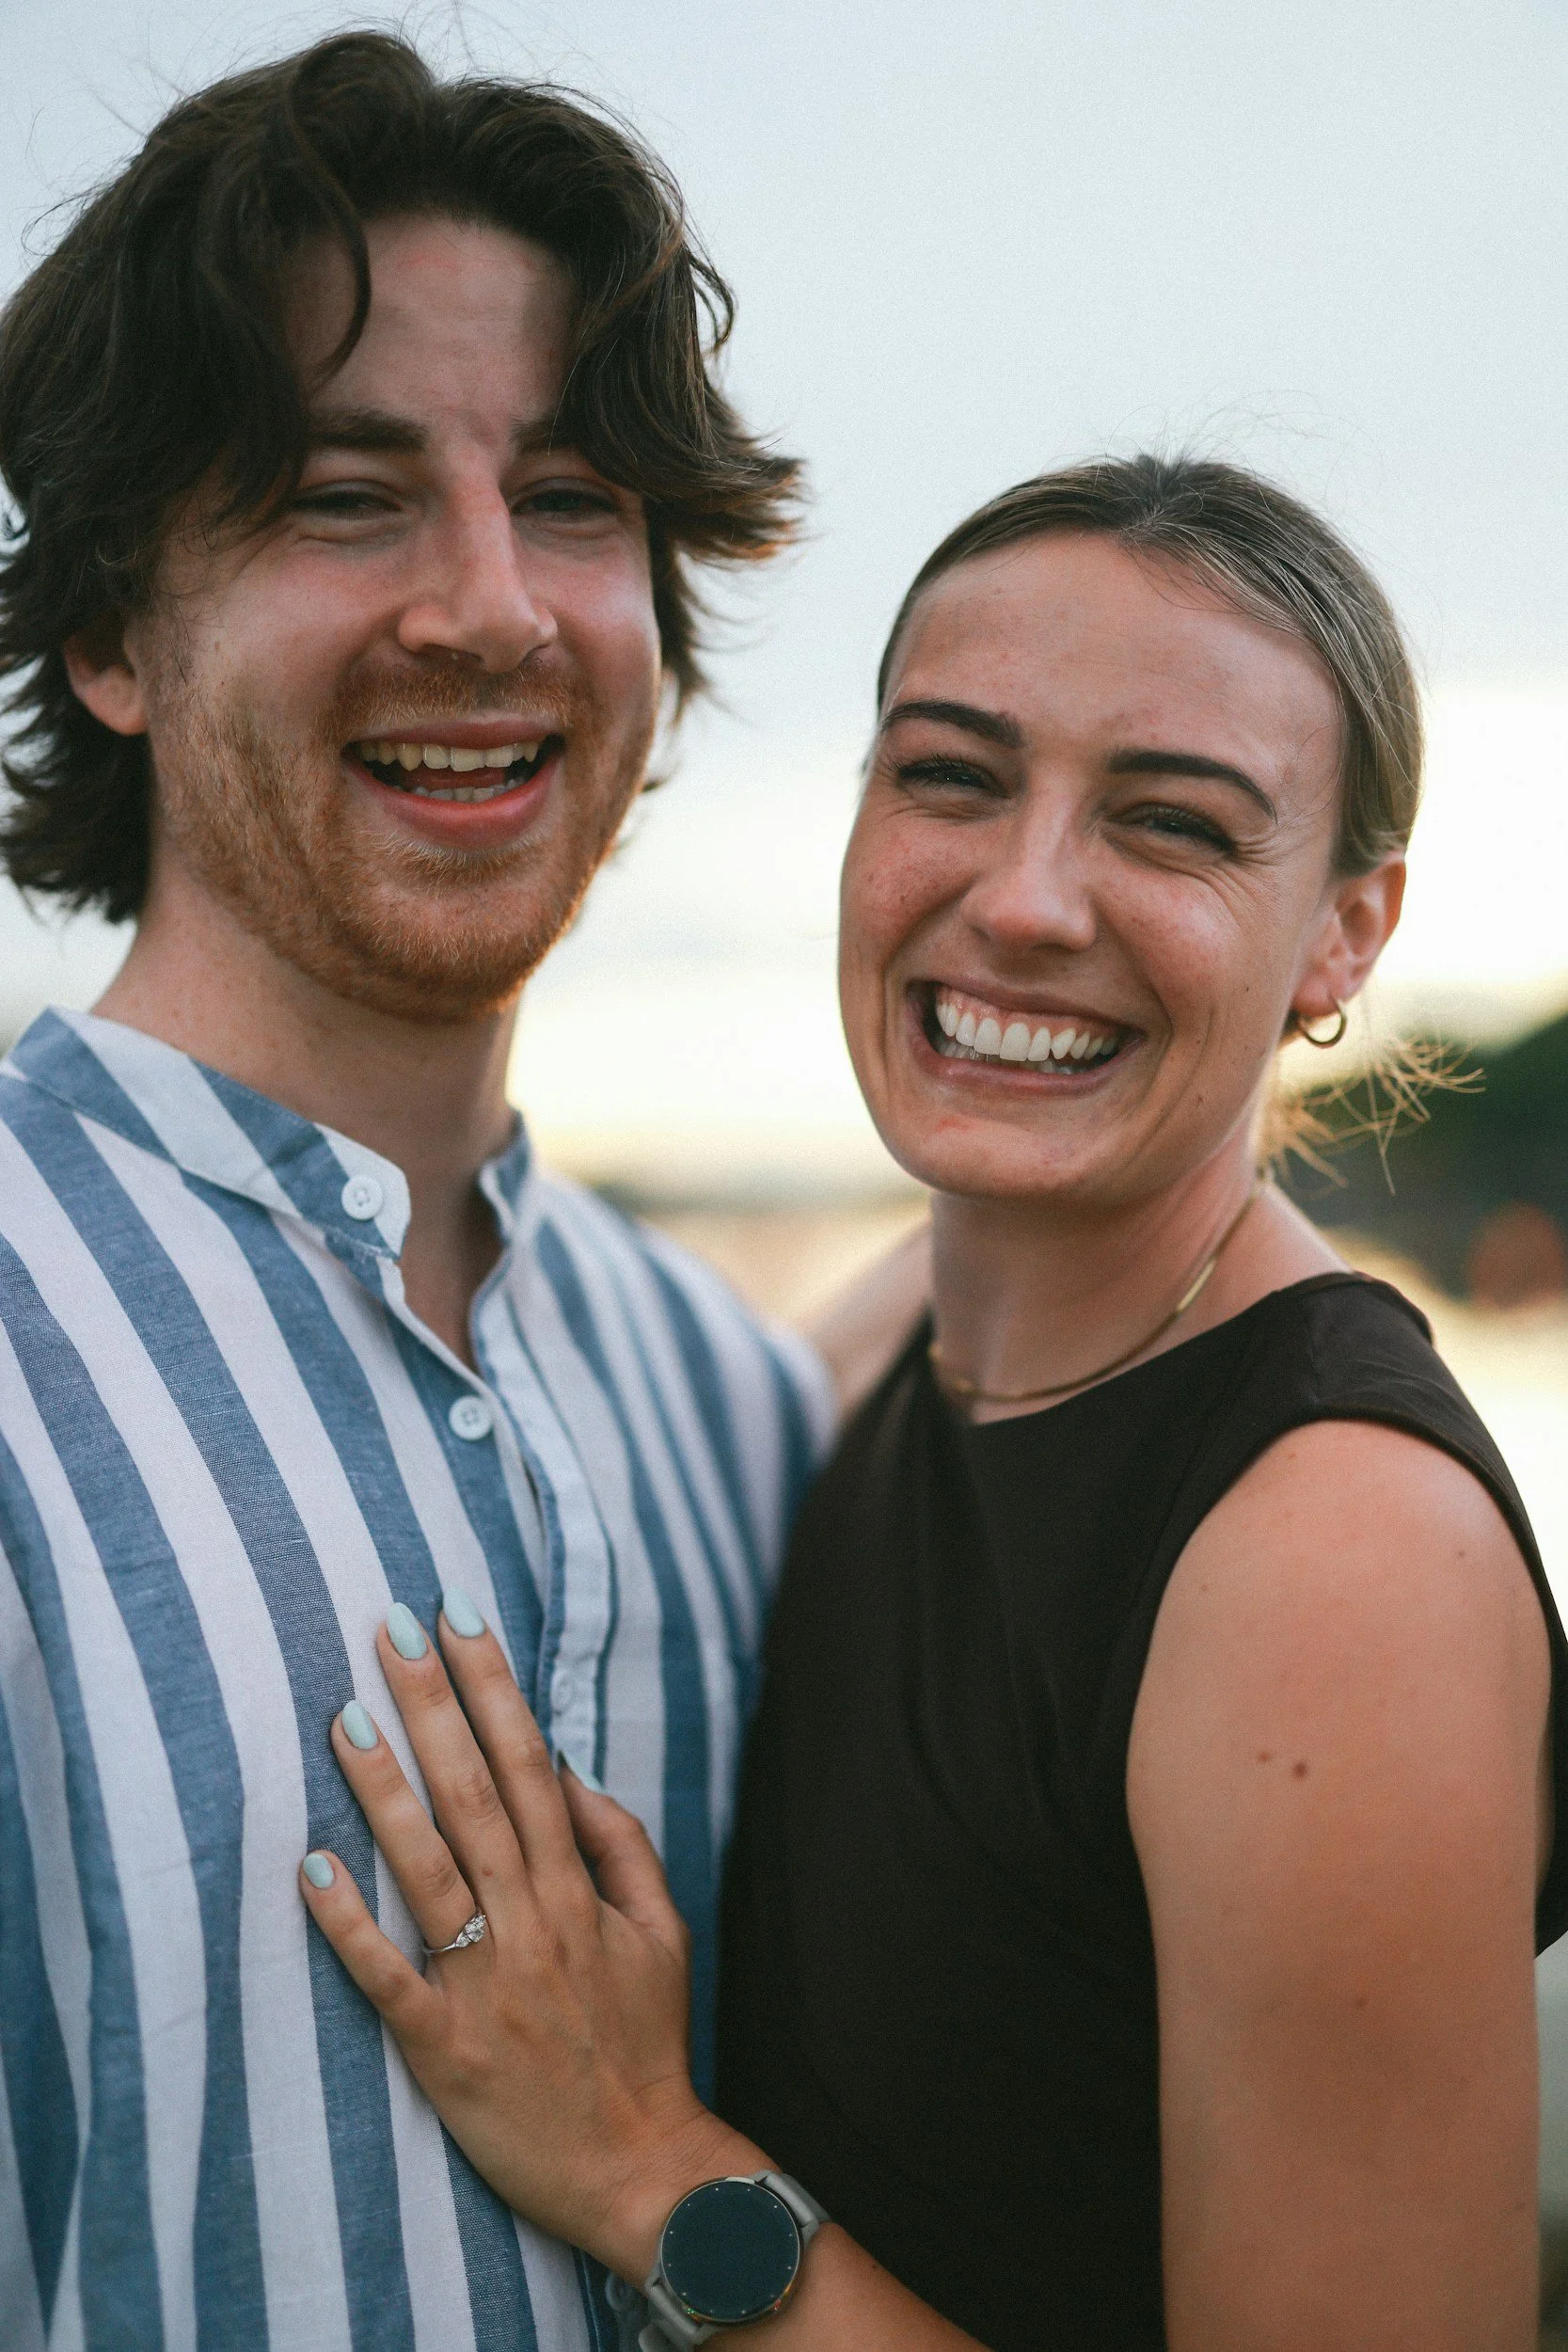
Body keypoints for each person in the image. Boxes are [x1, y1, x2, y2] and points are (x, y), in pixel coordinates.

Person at [299, 455, 1568, 2352]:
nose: (1024, 897)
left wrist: (646, 2161)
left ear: (1340, 935)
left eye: (1171, 822)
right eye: (951, 775)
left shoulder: (1331, 1548)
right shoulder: (914, 1334)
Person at [0, 33, 923, 2350]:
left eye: (578, 497)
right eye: (344, 494)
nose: (489, 604)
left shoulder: (724, 1397)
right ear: (112, 631)